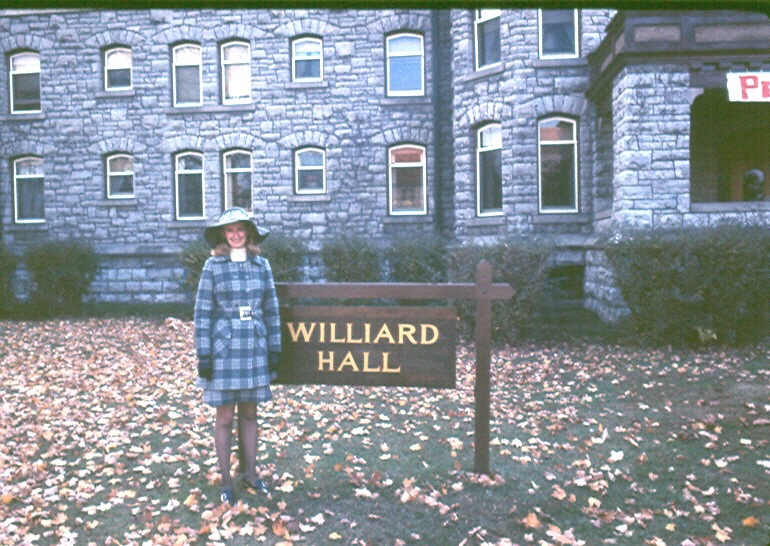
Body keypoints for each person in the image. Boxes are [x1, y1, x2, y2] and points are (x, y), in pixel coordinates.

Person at [194, 207, 282, 505]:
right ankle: (226, 481)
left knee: (250, 413)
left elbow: (271, 308)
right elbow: (203, 313)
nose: (235, 235)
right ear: (223, 234)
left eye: (240, 229)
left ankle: (251, 475)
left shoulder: (261, 265)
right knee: (224, 417)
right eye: (229, 230)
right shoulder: (213, 266)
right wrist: (204, 354)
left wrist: (275, 347)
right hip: (223, 350)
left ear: (249, 233)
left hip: (254, 348)